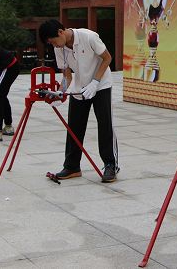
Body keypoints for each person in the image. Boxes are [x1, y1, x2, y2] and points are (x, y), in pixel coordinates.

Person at [38, 19, 119, 183]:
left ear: (61, 32)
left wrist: (95, 82)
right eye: (51, 44)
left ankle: (110, 165)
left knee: (105, 124)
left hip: (101, 85)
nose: (54, 45)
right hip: (79, 87)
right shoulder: (59, 48)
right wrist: (60, 92)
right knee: (74, 126)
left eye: (53, 41)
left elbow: (107, 58)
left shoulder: (88, 37)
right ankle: (72, 166)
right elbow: (66, 75)